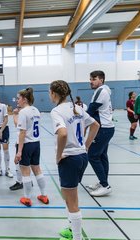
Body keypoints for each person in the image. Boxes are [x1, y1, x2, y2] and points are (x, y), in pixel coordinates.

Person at [49, 80, 99, 240]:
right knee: (68, 195)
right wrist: (86, 146)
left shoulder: (57, 111)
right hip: (81, 157)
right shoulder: (77, 108)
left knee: (72, 201)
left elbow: (62, 134)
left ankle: (77, 237)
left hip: (69, 158)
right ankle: (72, 229)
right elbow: (95, 125)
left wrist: (58, 156)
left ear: (54, 93)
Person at [14, 87, 49, 206]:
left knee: (25, 172)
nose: (17, 101)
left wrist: (19, 152)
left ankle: (27, 198)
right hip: (36, 143)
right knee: (37, 169)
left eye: (18, 99)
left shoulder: (23, 112)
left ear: (24, 99)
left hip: (26, 144)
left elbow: (22, 132)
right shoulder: (36, 110)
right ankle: (44, 195)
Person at [86, 70, 114, 197]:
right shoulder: (105, 90)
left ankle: (105, 185)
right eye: (90, 79)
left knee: (92, 155)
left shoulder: (101, 91)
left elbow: (90, 111)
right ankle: (103, 182)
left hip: (102, 129)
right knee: (102, 156)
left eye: (94, 79)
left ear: (101, 80)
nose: (91, 81)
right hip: (107, 128)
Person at [9, 106, 24, 191]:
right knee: (26, 164)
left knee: (17, 162)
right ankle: (26, 180)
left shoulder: (23, 113)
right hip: (29, 141)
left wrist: (14, 115)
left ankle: (20, 182)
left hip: (23, 142)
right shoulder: (33, 111)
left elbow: (17, 125)